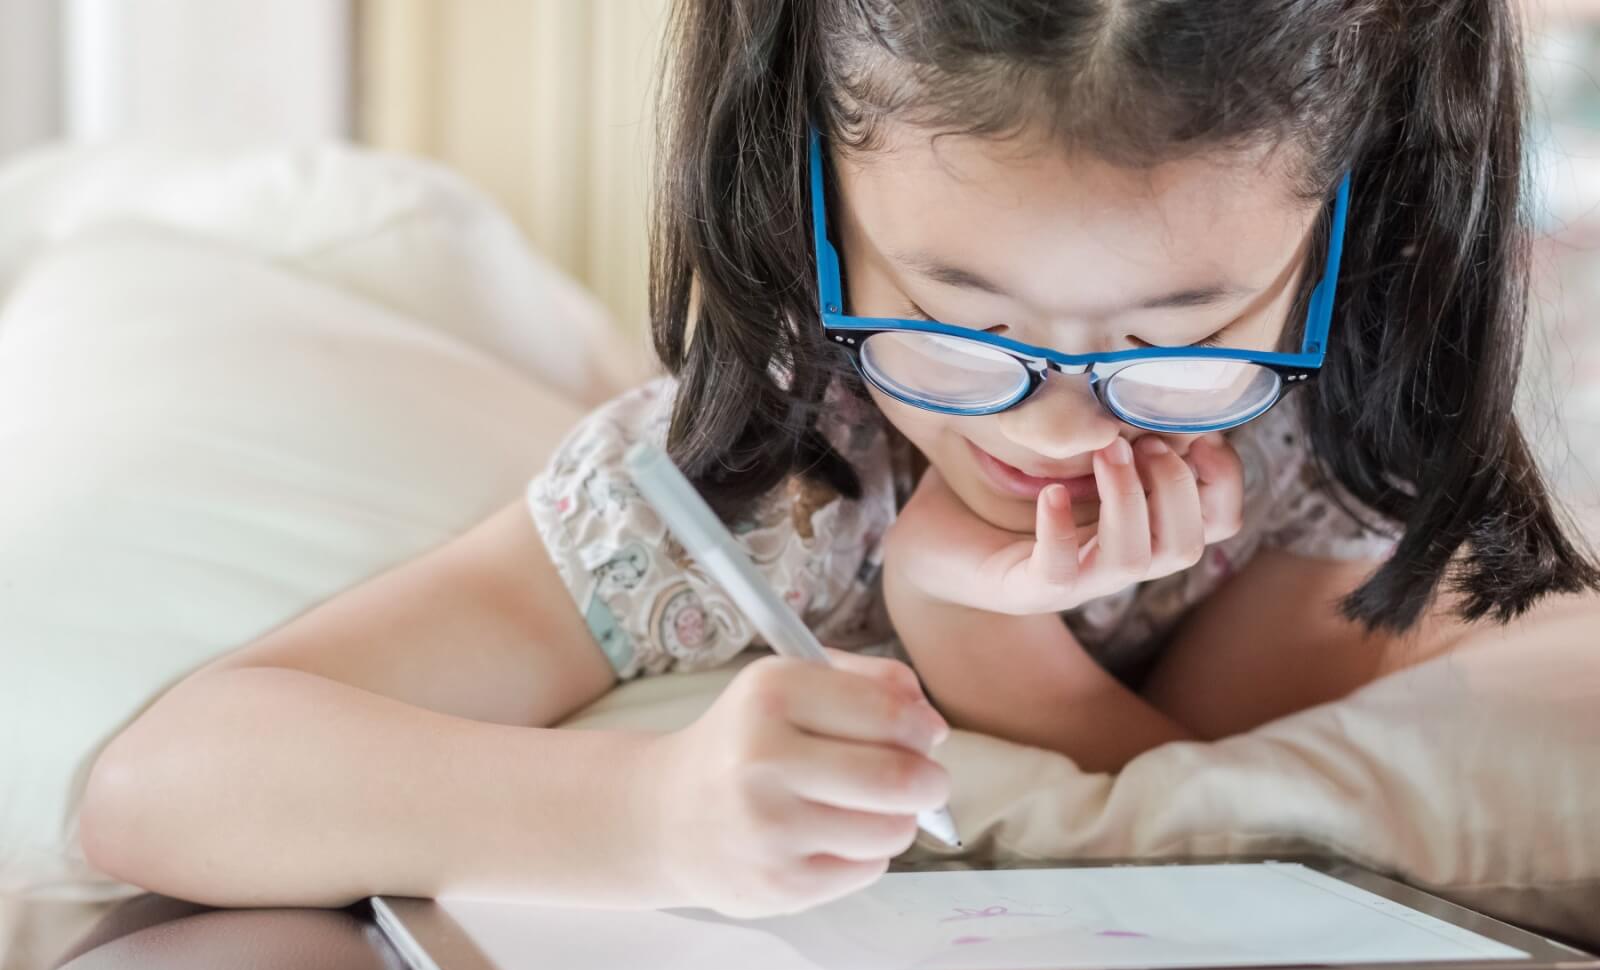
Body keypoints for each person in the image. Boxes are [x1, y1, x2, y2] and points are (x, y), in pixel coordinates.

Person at [79, 0, 1599, 920]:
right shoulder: (749, 497)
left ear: (1338, 239)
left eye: (1179, 331)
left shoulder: (1315, 435)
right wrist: (647, 818)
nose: (1058, 426)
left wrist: (979, 628)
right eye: (954, 316)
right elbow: (164, 784)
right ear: (802, 192)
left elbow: (1190, 794)